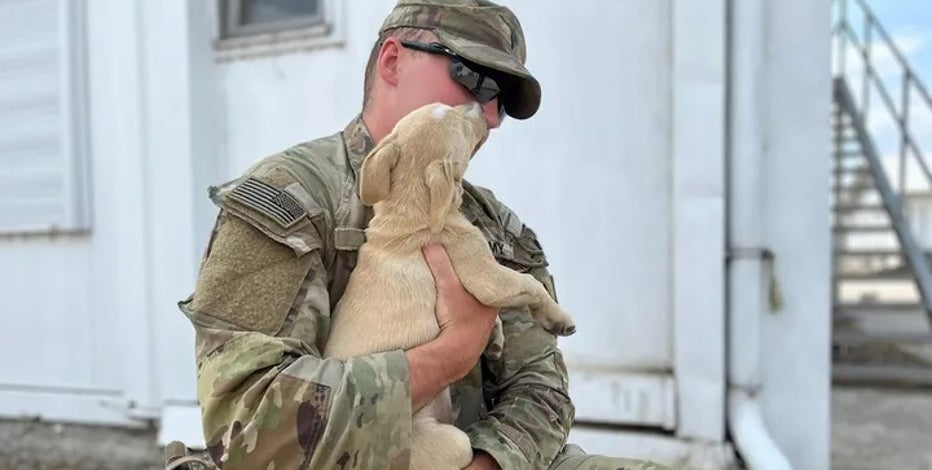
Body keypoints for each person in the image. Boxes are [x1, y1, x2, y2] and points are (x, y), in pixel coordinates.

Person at [174, 0, 674, 469]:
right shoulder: (288, 198)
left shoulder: (493, 225)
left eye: (500, 98)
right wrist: (451, 352)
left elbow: (541, 389)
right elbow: (251, 424)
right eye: (474, 80)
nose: (492, 115)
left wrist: (486, 463)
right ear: (392, 61)